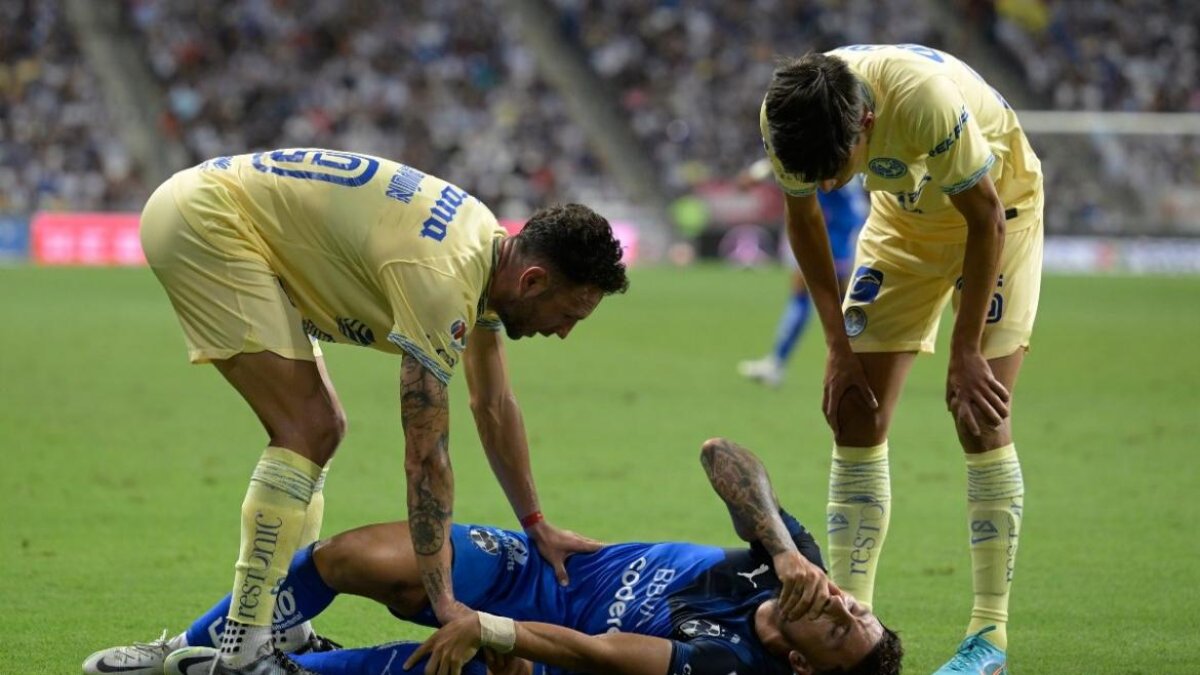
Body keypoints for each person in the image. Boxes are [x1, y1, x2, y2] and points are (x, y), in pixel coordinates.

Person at [133, 148, 630, 674]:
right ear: (532, 281)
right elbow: (425, 458)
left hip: (222, 209)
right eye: (569, 313)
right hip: (208, 222)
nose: (564, 332)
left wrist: (536, 523)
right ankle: (243, 651)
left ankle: (284, 635)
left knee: (321, 428)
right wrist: (446, 604)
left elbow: (493, 402)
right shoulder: (443, 280)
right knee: (307, 429)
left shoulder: (485, 248)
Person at [84, 438, 903, 675]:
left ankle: (280, 667)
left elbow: (593, 649)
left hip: (539, 653)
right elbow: (721, 453)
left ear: (801, 666)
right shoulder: (787, 563)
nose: (842, 607)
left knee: (441, 660)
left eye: (841, 631)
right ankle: (221, 642)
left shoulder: (729, 667)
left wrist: (492, 630)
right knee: (348, 556)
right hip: (533, 567)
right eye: (858, 608)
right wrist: (785, 543)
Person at [760, 44, 1042, 673]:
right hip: (903, 225)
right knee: (854, 411)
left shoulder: (923, 102)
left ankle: (988, 636)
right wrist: (835, 346)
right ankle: (850, 612)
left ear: (864, 123)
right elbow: (804, 221)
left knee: (980, 414)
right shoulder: (786, 115)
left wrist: (965, 349)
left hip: (1002, 213)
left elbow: (986, 216)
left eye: (837, 170)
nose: (831, 184)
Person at [737, 158, 867, 388]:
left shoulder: (824, 146)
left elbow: (790, 155)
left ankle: (862, 366)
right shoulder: (837, 141)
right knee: (818, 298)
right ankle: (778, 362)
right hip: (837, 225)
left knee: (840, 302)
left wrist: (756, 175)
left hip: (838, 229)